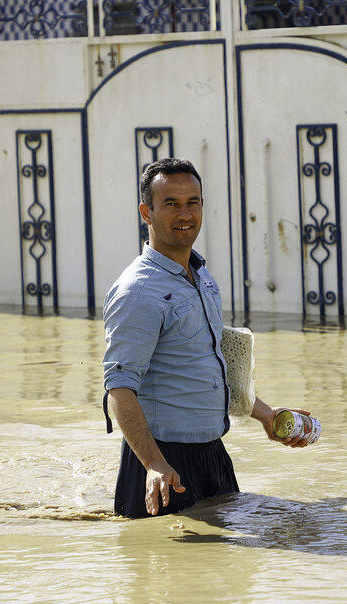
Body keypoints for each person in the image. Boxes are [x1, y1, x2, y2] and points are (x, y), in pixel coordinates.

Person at [102, 157, 314, 519]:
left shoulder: (202, 277)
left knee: (229, 574)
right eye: (170, 204)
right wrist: (154, 464)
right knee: (161, 569)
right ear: (146, 212)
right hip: (162, 463)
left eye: (192, 202)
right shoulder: (138, 291)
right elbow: (119, 390)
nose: (185, 214)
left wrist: (266, 414)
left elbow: (209, 364)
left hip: (212, 454)